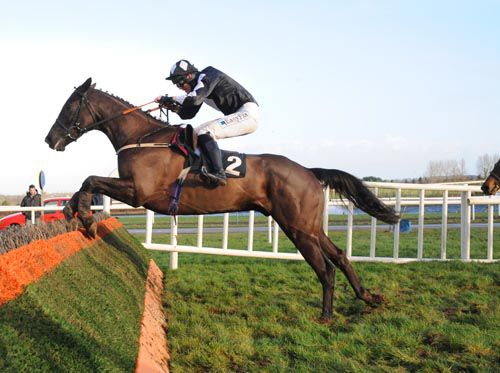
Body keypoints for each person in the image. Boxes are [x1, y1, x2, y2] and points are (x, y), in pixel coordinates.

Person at [155, 59, 260, 186]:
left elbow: (193, 99)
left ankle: (219, 173)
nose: (180, 88)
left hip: (247, 113)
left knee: (206, 131)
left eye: (180, 83)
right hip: (239, 114)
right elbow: (187, 114)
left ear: (189, 76)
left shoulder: (207, 75)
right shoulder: (200, 88)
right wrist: (171, 106)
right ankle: (200, 167)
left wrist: (169, 98)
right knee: (194, 133)